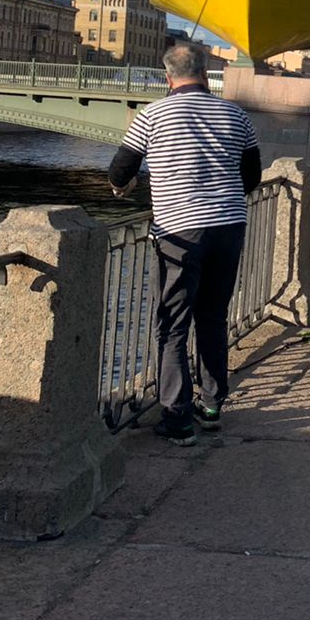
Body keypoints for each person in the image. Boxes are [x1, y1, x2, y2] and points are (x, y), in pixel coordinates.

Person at [108, 44, 261, 446]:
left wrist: (123, 186)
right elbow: (252, 175)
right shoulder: (235, 114)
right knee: (212, 316)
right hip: (228, 227)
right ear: (207, 73)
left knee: (173, 323)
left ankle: (177, 418)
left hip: (179, 232)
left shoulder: (153, 115)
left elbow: (121, 169)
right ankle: (211, 406)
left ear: (167, 77)